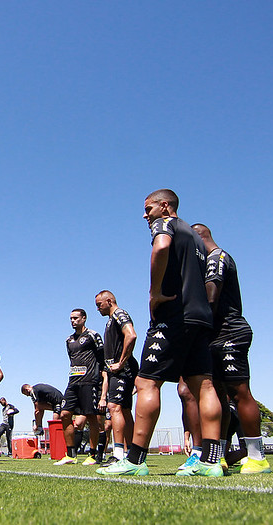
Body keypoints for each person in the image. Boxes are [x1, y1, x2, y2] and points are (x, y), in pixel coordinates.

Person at [98, 189, 222, 477]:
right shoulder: (196, 238)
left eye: (148, 209)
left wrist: (155, 293)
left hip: (174, 317)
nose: (145, 215)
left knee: (146, 384)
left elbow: (161, 248)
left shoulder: (165, 224)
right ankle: (211, 462)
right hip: (200, 318)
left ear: (165, 206)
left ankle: (135, 461)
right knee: (203, 385)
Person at [191, 223, 270, 474]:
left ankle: (258, 457)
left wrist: (194, 327)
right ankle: (220, 455)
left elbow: (212, 297)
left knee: (239, 392)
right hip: (213, 336)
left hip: (229, 332)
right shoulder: (207, 262)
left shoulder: (217, 258)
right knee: (219, 396)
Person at [55, 309, 107, 466]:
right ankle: (71, 454)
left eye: (76, 318)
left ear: (84, 318)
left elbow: (102, 358)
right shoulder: (68, 340)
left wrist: (102, 382)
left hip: (90, 381)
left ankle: (92, 455)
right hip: (73, 383)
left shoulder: (93, 335)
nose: (73, 321)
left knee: (92, 418)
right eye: (71, 318)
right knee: (64, 414)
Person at [95, 290, 139, 464]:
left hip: (122, 370)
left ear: (109, 300)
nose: (97, 309)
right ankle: (133, 454)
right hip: (116, 371)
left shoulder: (120, 314)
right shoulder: (110, 321)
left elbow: (131, 335)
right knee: (125, 411)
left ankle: (119, 454)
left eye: (99, 304)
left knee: (114, 407)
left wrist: (121, 363)